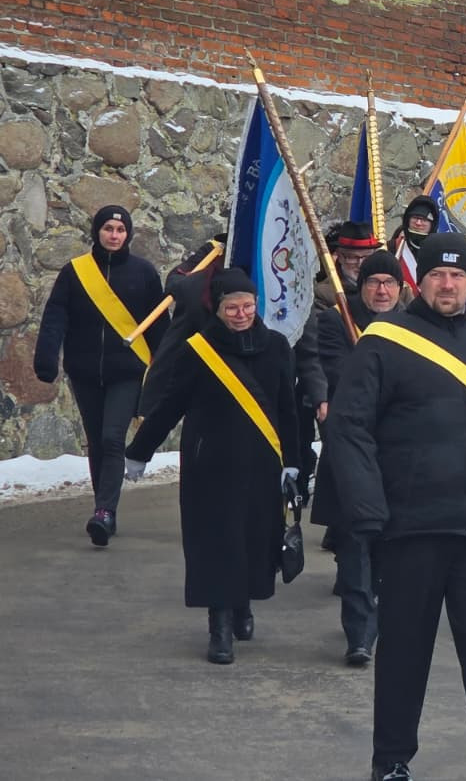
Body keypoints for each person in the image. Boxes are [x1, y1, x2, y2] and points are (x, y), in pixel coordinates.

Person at [325, 233, 466, 781]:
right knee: (405, 651)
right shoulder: (383, 343)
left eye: (457, 276)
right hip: (410, 529)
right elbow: (348, 429)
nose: (448, 284)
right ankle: (392, 762)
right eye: (436, 275)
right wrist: (368, 510)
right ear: (417, 281)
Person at [124, 268, 300, 665]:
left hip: (261, 466)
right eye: (232, 307)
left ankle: (242, 606)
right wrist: (140, 450)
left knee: (254, 542)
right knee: (217, 545)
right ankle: (219, 626)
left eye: (248, 306)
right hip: (211, 466)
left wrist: (293, 462)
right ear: (217, 309)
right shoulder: (197, 349)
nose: (241, 314)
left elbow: (288, 411)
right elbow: (170, 405)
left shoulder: (276, 347)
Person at [33, 205, 169, 547]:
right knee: (96, 441)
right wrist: (46, 358)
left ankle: (104, 512)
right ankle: (104, 508)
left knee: (112, 438)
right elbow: (55, 317)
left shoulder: (144, 273)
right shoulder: (75, 273)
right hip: (85, 372)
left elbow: (160, 329)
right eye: (108, 228)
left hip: (127, 372)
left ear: (128, 235)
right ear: (97, 232)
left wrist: (168, 372)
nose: (113, 235)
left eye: (120, 230)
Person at [311, 251, 403, 666]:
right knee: (354, 546)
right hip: (351, 451)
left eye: (389, 283)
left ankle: (383, 616)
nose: (381, 290)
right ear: (360, 287)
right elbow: (342, 378)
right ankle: (359, 634)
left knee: (392, 549)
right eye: (373, 283)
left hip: (400, 454)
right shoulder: (336, 323)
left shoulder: (414, 327)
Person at [392, 195, 439, 296]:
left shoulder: (438, 253)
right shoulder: (392, 247)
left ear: (432, 224)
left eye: (424, 219)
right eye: (415, 218)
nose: (418, 223)